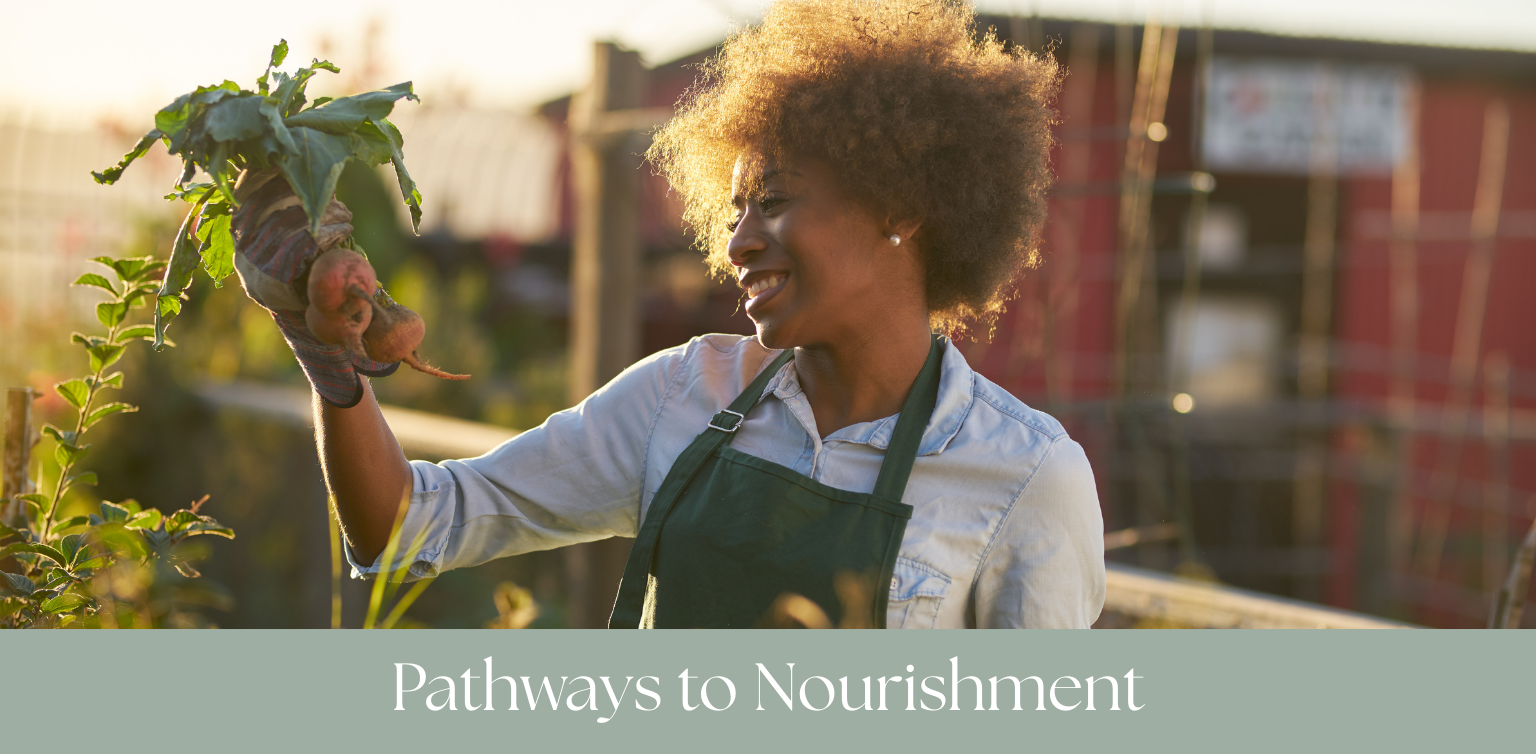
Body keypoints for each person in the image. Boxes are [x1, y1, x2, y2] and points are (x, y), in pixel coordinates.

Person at [234, 0, 1104, 628]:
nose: (737, 245)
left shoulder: (1025, 479)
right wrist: (328, 356)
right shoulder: (684, 395)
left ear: (902, 207)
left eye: (773, 202)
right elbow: (405, 528)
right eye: (732, 212)